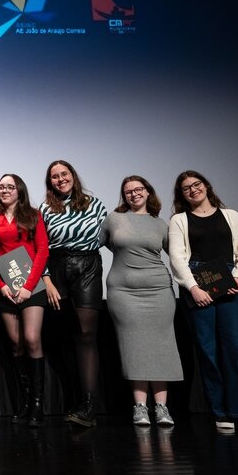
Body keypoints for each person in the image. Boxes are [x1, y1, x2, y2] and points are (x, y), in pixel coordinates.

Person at [168, 170, 238, 432]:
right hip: (196, 284)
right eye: (186, 188)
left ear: (206, 186)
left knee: (237, 348)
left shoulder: (231, 216)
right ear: (182, 194)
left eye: (196, 184)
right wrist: (193, 288)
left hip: (228, 283)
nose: (193, 189)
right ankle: (220, 412)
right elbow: (177, 258)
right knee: (208, 351)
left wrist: (237, 277)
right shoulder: (179, 220)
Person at [101, 175, 183, 427]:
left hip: (159, 291)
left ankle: (161, 407)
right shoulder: (114, 219)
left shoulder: (161, 224)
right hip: (123, 293)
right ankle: (139, 407)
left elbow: (178, 256)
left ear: (148, 192)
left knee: (161, 346)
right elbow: (93, 245)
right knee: (133, 346)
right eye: (128, 191)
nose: (134, 194)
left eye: (138, 189)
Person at [40, 159, 107, 427]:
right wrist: (46, 279)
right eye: (54, 176)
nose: (60, 179)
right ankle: (74, 401)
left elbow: (109, 237)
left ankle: (89, 404)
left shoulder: (95, 204)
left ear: (73, 176)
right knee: (66, 338)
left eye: (64, 174)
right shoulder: (45, 209)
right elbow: (41, 247)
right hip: (57, 270)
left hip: (87, 267)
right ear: (50, 182)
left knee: (86, 335)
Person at [0, 174, 51, 427]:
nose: (4, 190)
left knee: (32, 339)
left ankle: (38, 404)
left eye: (10, 187)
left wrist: (28, 286)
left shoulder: (33, 215)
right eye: (1, 187)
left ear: (19, 190)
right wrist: (1, 286)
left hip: (31, 288)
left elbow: (42, 250)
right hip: (5, 289)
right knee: (16, 344)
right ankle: (25, 401)